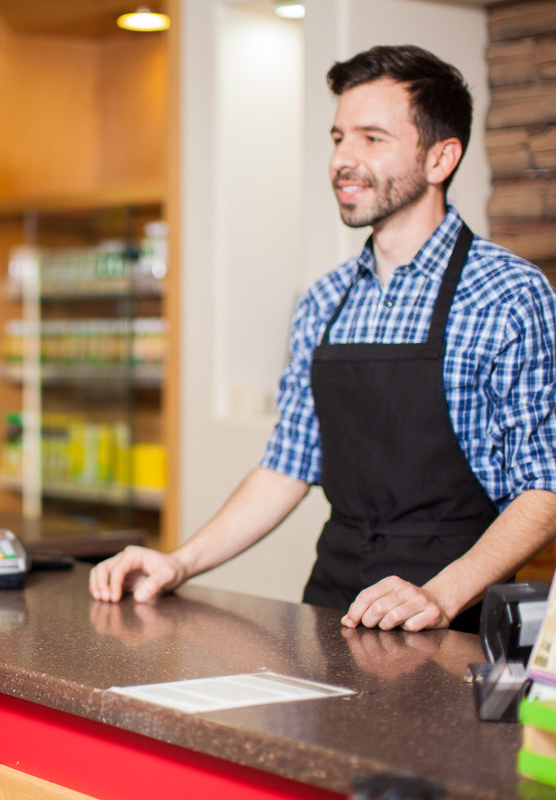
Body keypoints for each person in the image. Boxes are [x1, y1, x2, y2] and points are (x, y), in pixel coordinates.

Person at [90, 44, 556, 633]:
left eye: (372, 138)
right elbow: (287, 466)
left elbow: (544, 488)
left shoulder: (509, 294)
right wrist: (179, 562)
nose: (343, 159)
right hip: (334, 607)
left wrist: (439, 597)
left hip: (453, 621)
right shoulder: (323, 301)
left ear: (441, 158)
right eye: (339, 138)